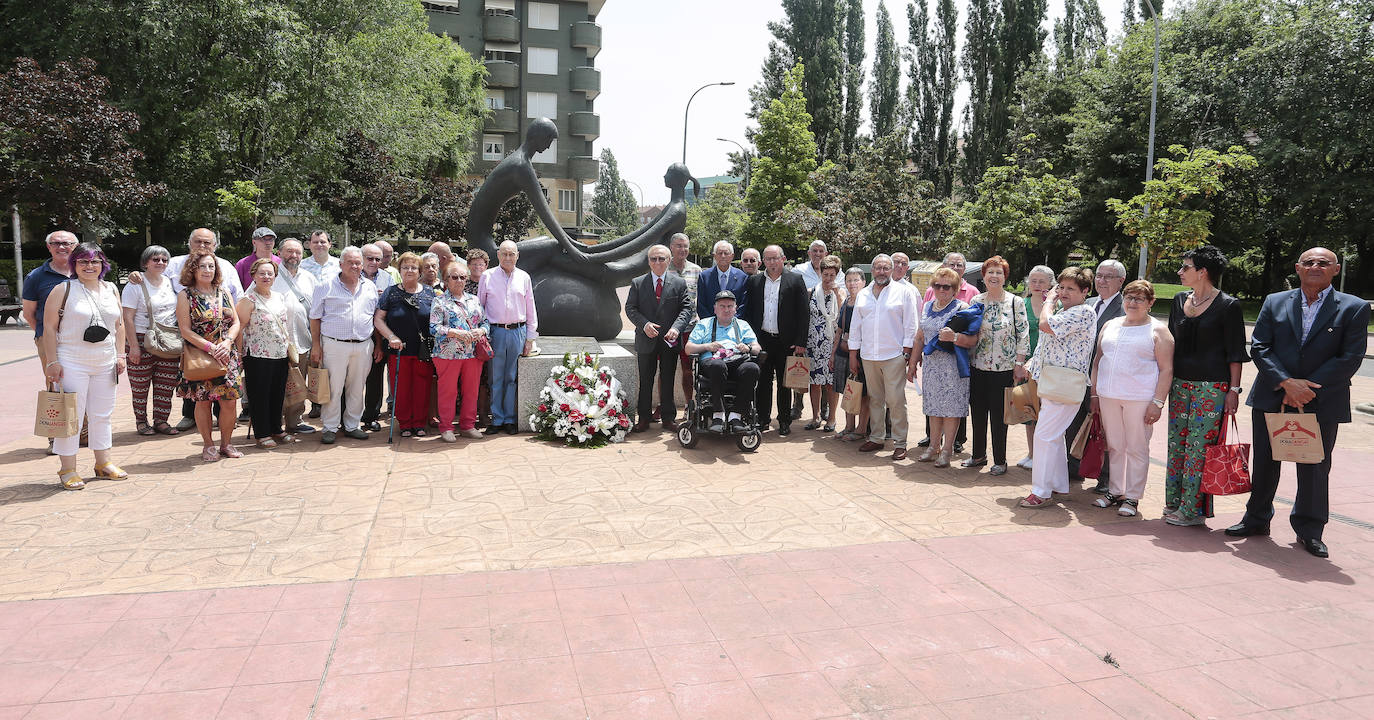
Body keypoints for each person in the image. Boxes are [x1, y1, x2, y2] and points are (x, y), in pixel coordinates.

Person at [1228, 247, 1370, 558]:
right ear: (1298, 268)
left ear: (1335, 269)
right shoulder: (1275, 301)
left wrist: (1307, 389)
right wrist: (1286, 383)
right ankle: (1256, 519)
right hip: (1273, 396)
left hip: (1321, 400)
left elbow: (1350, 357)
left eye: (1324, 263)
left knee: (1315, 467)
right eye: (1309, 262)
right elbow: (1261, 347)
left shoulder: (1354, 308)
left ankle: (1310, 530)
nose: (1315, 266)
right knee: (1265, 462)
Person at [1163, 246, 1248, 526]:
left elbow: (1235, 353)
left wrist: (1233, 392)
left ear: (1203, 272)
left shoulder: (1228, 305)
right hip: (1180, 385)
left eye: (1185, 267)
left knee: (1199, 449)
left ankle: (1192, 511)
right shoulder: (1178, 301)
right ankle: (1173, 502)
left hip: (1212, 388)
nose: (1180, 272)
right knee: (1177, 446)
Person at [41, 242, 128, 489]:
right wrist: (52, 361)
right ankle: (67, 468)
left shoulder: (111, 288)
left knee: (103, 414)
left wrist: (120, 355)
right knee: (72, 417)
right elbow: (49, 328)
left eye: (95, 261)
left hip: (105, 361)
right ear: (74, 264)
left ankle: (103, 463)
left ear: (103, 264)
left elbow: (119, 325)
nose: (89, 266)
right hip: (71, 362)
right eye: (83, 261)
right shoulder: (63, 289)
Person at [1090, 280, 1174, 517]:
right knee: (1115, 446)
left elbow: (1166, 369)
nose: (1132, 303)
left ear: (1150, 302)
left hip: (1139, 398)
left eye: (1139, 299)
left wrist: (1157, 402)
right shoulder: (1111, 324)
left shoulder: (1158, 330)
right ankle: (1115, 491)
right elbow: (1098, 362)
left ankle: (1132, 496)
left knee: (1137, 447)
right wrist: (1095, 392)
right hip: (1108, 395)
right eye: (1129, 297)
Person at [1019, 267, 1096, 508]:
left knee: (1044, 436)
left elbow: (1045, 325)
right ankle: (1057, 484)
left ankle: (1040, 492)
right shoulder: (1067, 311)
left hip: (1064, 385)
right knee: (1053, 436)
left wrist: (1048, 301)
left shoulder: (1083, 312)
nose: (1063, 292)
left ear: (1085, 292)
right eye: (1061, 287)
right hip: (1054, 382)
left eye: (1070, 288)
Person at [177, 250, 244, 462]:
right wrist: (210, 347)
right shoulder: (185, 295)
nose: (207, 270)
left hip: (226, 354)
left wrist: (227, 342)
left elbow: (235, 322)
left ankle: (226, 443)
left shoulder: (223, 292)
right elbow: (185, 330)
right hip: (200, 355)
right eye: (202, 266)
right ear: (193, 270)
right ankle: (208, 445)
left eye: (211, 266)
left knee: (229, 402)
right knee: (203, 401)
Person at [1067, 259, 1127, 492]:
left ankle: (1106, 478)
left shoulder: (1124, 309)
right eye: (1099, 276)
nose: (1101, 281)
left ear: (1121, 281)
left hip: (1106, 381)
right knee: (1074, 425)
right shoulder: (1088, 304)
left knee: (1105, 430)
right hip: (1077, 378)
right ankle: (1075, 469)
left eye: (1108, 277)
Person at [965, 256, 1030, 475]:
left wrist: (1019, 363)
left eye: (998, 272)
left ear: (1005, 277)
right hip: (978, 366)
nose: (994, 276)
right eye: (990, 272)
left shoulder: (1015, 302)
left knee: (999, 416)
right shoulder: (977, 302)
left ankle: (1000, 460)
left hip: (1004, 369)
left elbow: (1023, 334)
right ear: (983, 276)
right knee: (978, 413)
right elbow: (970, 332)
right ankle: (978, 455)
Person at [851, 254, 918, 458]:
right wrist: (854, 355)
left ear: (891, 270)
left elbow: (911, 325)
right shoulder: (863, 294)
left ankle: (900, 442)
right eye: (878, 268)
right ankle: (876, 437)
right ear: (872, 271)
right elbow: (855, 327)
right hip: (869, 355)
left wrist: (906, 353)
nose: (882, 272)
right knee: (875, 399)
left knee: (896, 400)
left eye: (885, 268)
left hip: (893, 355)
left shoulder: (903, 293)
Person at [309, 247, 378, 444]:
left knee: (357, 387)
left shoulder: (370, 287)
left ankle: (352, 425)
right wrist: (316, 345)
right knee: (333, 387)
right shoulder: (325, 285)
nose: (355, 266)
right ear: (340, 264)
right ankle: (330, 427)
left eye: (358, 263)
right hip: (334, 345)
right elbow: (315, 318)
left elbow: (374, 316)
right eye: (350, 262)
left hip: (364, 344)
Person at [625, 245, 693, 432]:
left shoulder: (678, 283)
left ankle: (668, 418)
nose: (657, 262)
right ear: (648, 261)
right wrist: (644, 325)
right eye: (653, 259)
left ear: (669, 261)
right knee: (645, 381)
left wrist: (677, 328)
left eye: (661, 258)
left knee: (668, 378)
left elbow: (686, 309)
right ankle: (644, 418)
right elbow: (631, 309)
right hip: (646, 340)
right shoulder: (638, 283)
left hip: (669, 341)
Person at [743, 245, 809, 436]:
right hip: (762, 339)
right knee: (763, 382)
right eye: (768, 259)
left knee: (784, 383)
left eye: (775, 258)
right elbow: (749, 312)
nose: (772, 262)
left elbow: (803, 314)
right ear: (763, 261)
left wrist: (800, 342)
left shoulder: (795, 280)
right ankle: (763, 419)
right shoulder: (755, 281)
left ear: (783, 259)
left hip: (786, 341)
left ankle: (784, 420)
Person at [477, 240, 538, 435]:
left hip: (517, 332)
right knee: (496, 377)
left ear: (517, 256)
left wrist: (530, 338)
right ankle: (497, 419)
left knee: (511, 377)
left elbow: (531, 309)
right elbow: (480, 307)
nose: (508, 258)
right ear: (498, 255)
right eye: (504, 254)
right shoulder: (487, 276)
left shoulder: (524, 277)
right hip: (495, 332)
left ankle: (510, 419)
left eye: (512, 254)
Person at [919, 252, 976, 452]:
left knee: (951, 409)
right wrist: (912, 363)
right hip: (931, 365)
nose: (941, 290)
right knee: (933, 407)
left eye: (947, 287)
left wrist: (954, 338)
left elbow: (974, 340)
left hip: (953, 366)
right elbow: (920, 335)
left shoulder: (963, 308)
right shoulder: (926, 306)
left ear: (955, 289)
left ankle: (947, 450)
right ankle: (933, 446)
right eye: (937, 285)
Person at [121, 245, 181, 436]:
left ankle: (161, 420)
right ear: (145, 262)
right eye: (155, 259)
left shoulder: (171, 282)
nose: (160, 263)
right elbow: (127, 317)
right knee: (140, 384)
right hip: (140, 337)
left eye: (164, 259)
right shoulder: (135, 284)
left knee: (166, 382)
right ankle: (141, 421)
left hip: (168, 339)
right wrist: (133, 347)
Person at [375, 252, 436, 438]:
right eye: (405, 267)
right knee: (400, 389)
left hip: (422, 351)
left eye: (414, 267)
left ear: (419, 271)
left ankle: (419, 423)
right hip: (398, 350)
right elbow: (378, 319)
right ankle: (405, 424)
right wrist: (391, 337)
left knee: (422, 387)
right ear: (399, 270)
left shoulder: (430, 293)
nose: (409, 270)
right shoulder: (391, 292)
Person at [235, 258, 295, 448]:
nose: (266, 277)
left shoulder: (278, 296)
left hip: (279, 353)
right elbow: (239, 328)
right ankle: (261, 433)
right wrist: (238, 355)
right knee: (259, 395)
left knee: (277, 394)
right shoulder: (248, 299)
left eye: (270, 273)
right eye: (262, 273)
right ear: (253, 275)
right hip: (256, 356)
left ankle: (276, 428)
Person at [686, 291, 762, 433]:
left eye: (730, 306)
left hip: (737, 360)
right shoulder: (704, 324)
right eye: (722, 306)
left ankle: (736, 415)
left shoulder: (743, 325)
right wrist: (707, 346)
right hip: (712, 362)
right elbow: (688, 349)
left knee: (752, 368)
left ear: (735, 308)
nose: (726, 310)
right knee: (718, 365)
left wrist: (748, 347)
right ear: (715, 308)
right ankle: (718, 414)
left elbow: (758, 348)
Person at [430, 259, 490, 442]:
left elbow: (485, 322)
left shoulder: (474, 300)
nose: (459, 280)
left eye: (462, 277)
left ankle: (467, 425)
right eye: (454, 277)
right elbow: (433, 327)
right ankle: (446, 427)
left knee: (471, 391)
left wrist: (481, 330)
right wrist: (455, 333)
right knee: (448, 392)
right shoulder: (439, 301)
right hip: (447, 354)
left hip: (472, 354)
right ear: (446, 280)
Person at [1016, 266, 1055, 469]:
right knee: (1030, 413)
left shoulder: (1056, 306)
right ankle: (1032, 453)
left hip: (1050, 367)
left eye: (1042, 281)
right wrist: (1019, 363)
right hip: (1027, 366)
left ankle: (1044, 457)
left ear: (1051, 284)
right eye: (1034, 281)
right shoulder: (1021, 304)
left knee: (1047, 413)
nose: (1037, 285)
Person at [665, 232, 702, 417]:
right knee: (666, 368)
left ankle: (689, 405)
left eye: (685, 246)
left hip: (690, 329)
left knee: (688, 370)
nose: (683, 249)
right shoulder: (663, 268)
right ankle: (664, 407)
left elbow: (700, 300)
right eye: (679, 246)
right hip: (669, 331)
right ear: (671, 247)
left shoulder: (697, 270)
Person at [358, 243, 395, 431]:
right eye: (369, 258)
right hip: (357, 333)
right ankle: (347, 417)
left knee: (375, 378)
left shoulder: (387, 279)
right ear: (361, 258)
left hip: (380, 333)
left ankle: (371, 416)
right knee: (353, 379)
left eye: (377, 259)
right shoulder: (352, 276)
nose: (373, 262)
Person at [805, 255, 844, 431]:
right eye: (825, 274)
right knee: (814, 382)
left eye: (832, 275)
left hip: (832, 344)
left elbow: (843, 316)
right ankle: (815, 417)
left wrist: (836, 293)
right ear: (820, 273)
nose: (828, 278)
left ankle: (832, 418)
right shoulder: (811, 292)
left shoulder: (841, 292)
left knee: (830, 383)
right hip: (814, 343)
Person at [833, 267, 869, 441]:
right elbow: (839, 330)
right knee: (849, 390)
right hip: (843, 352)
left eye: (856, 280)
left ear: (864, 282)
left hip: (862, 354)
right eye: (849, 280)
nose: (852, 284)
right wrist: (833, 354)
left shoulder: (868, 302)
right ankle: (848, 426)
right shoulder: (846, 302)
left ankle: (861, 429)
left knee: (863, 393)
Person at [465, 248, 492, 427]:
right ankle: (466, 414)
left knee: (484, 377)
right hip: (464, 335)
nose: (477, 267)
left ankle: (483, 413)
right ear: (468, 266)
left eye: (480, 264)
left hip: (485, 334)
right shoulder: (461, 283)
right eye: (474, 264)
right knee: (466, 377)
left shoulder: (491, 283)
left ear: (486, 266)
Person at [697, 241, 750, 320]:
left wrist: (731, 322)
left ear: (732, 256)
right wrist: (712, 323)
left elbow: (743, 304)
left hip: (733, 324)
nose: (723, 256)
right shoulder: (704, 276)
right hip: (710, 325)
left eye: (726, 253)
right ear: (714, 256)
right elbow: (701, 304)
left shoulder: (742, 277)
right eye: (719, 253)